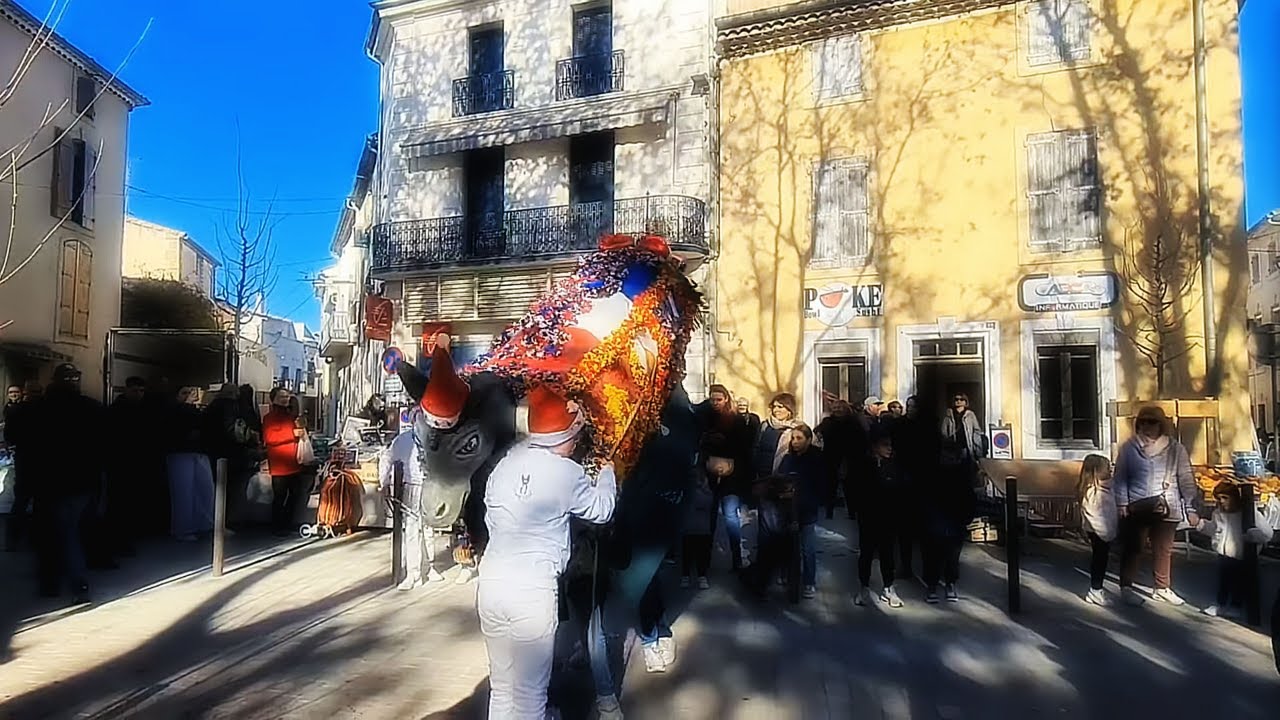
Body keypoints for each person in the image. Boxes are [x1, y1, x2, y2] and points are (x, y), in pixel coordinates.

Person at [476, 385, 617, 720]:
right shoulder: (566, 472)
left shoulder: (504, 464)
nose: (576, 443)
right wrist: (608, 475)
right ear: (563, 436)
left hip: (491, 585)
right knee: (529, 697)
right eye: (575, 435)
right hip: (532, 591)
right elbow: (601, 510)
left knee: (502, 687)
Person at [30, 364, 103, 603]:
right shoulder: (91, 408)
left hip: (48, 482)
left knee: (51, 533)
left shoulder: (39, 408)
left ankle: (53, 581)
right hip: (81, 482)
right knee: (71, 531)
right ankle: (76, 581)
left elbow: (26, 443)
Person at [1113, 405, 1199, 607]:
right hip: (1137, 504)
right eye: (1143, 421)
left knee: (1163, 549)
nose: (1146, 426)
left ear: (1161, 425)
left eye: (1152, 422)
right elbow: (1120, 477)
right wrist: (1122, 503)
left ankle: (1161, 588)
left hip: (1167, 505)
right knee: (1134, 548)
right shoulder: (1129, 448)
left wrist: (1191, 508)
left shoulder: (1175, 449)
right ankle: (1126, 587)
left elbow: (1186, 478)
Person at [1193, 481, 1274, 618]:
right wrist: (1201, 525)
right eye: (1219, 498)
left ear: (1235, 497)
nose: (1222, 502)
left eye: (1225, 498)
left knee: (1238, 582)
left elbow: (1267, 533)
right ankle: (1220, 604)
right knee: (1224, 581)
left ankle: (1236, 606)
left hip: (1240, 554)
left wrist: (1254, 535)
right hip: (1224, 553)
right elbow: (1213, 529)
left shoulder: (1249, 514)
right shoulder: (1218, 513)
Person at [697, 384, 754, 571]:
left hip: (732, 476)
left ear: (726, 399)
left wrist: (732, 466)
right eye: (712, 399)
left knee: (730, 516)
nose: (715, 403)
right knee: (708, 517)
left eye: (719, 399)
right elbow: (700, 446)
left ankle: (736, 556)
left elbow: (744, 450)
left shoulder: (736, 421)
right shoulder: (704, 418)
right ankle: (704, 560)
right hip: (709, 475)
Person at [380, 417, 436, 589]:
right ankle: (413, 573)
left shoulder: (433, 439)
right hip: (412, 485)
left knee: (428, 527)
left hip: (429, 486)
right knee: (412, 529)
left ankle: (429, 566)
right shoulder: (404, 440)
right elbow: (387, 458)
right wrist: (383, 481)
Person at [855, 432, 908, 608]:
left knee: (888, 554)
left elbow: (901, 491)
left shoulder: (894, 466)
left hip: (889, 518)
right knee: (866, 554)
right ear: (875, 447)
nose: (889, 448)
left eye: (890, 445)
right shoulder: (864, 465)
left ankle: (888, 587)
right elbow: (857, 491)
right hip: (868, 517)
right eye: (885, 445)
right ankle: (863, 587)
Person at [776, 423, 825, 599]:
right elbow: (779, 478)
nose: (795, 442)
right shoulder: (788, 458)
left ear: (809, 440)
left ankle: (809, 581)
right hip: (788, 508)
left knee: (807, 547)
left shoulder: (816, 459)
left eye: (799, 438)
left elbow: (821, 484)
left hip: (807, 508)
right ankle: (785, 574)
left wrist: (811, 499)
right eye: (793, 438)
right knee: (786, 544)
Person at [204, 383, 263, 530]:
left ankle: (216, 521)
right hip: (232, 454)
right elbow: (234, 431)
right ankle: (225, 523)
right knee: (231, 489)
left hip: (213, 452)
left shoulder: (211, 407)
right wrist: (249, 438)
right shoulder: (232, 407)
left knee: (217, 488)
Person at [166, 387, 214, 542]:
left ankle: (206, 525)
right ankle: (183, 529)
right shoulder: (172, 410)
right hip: (179, 452)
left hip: (198, 451)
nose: (188, 396)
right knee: (183, 492)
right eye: (183, 393)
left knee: (205, 490)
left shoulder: (196, 411)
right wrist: (188, 405)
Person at [263, 386, 306, 536]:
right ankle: (277, 526)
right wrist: (292, 434)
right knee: (280, 496)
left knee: (295, 494)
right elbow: (270, 438)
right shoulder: (269, 417)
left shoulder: (290, 416)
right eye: (282, 397)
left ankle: (287, 523)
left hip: (293, 461)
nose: (285, 399)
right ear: (273, 398)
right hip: (279, 464)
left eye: (287, 397)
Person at [3, 381, 39, 552]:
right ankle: (35, 538)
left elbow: (10, 436)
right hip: (45, 462)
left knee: (21, 501)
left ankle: (14, 539)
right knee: (41, 503)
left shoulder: (18, 411)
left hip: (25, 459)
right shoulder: (49, 410)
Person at [1078, 454, 1117, 607]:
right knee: (1099, 560)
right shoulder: (1091, 492)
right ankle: (1095, 590)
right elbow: (1093, 514)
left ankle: (1097, 589)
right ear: (1096, 472)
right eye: (1107, 469)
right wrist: (1106, 533)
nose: (1110, 471)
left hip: (1106, 531)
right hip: (1098, 531)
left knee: (1102, 559)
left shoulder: (1106, 486)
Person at [680, 465, 716, 590]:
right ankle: (695, 576)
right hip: (700, 529)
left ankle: (691, 576)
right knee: (696, 554)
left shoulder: (690, 492)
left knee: (691, 553)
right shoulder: (706, 492)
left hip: (693, 528)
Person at [755, 393, 799, 479]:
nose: (776, 410)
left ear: (789, 409)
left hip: (786, 479)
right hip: (763, 478)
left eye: (780, 407)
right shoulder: (765, 426)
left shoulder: (797, 428)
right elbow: (756, 448)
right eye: (774, 407)